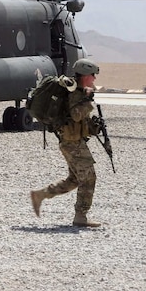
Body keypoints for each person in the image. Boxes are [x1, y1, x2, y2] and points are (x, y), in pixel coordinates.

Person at [30, 58, 103, 227]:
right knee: (89, 178)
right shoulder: (76, 92)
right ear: (85, 76)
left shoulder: (77, 90)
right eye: (93, 75)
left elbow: (77, 119)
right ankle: (80, 216)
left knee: (74, 179)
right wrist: (88, 100)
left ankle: (40, 195)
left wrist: (93, 126)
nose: (94, 79)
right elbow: (77, 114)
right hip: (72, 143)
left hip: (72, 141)